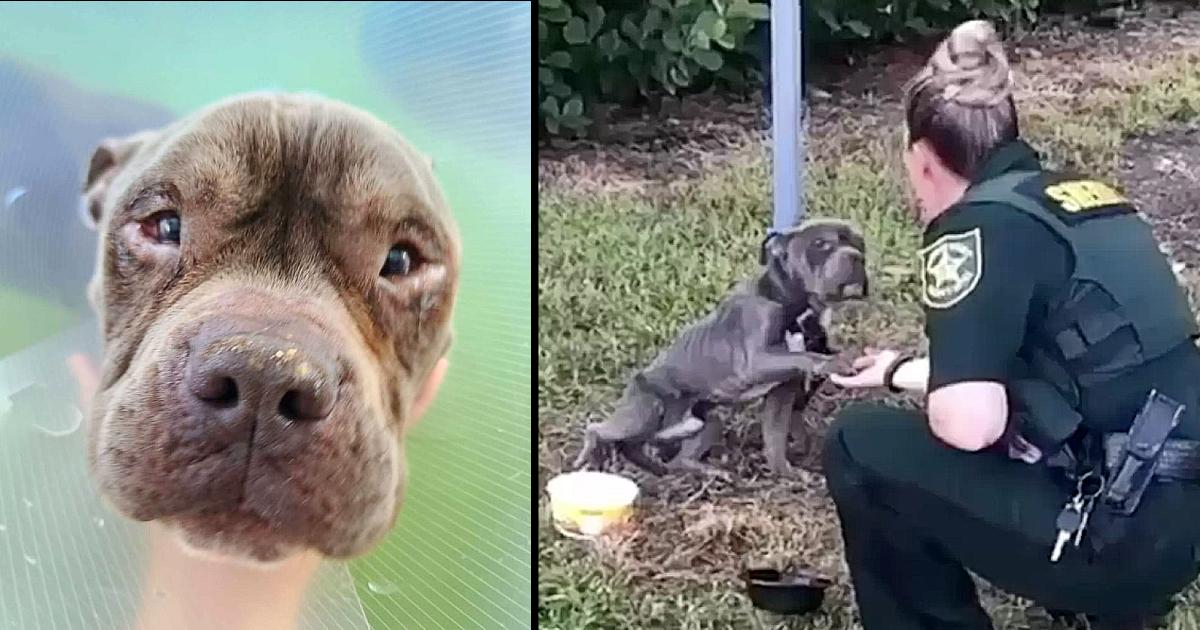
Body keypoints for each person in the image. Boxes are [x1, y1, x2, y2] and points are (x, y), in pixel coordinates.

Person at [822, 19, 1200, 630]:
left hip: (1111, 541)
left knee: (857, 443)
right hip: (1179, 522)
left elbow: (969, 424)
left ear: (922, 160)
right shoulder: (1087, 199)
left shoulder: (972, 228)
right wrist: (898, 371)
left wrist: (941, 394)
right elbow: (1081, 369)